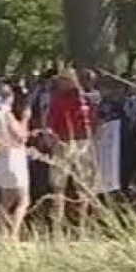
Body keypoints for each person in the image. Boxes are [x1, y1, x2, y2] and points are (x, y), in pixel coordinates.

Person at [46, 69, 96, 237]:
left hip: (64, 142)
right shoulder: (88, 100)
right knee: (82, 187)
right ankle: (81, 229)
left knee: (58, 187)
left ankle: (57, 230)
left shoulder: (58, 100)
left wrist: (52, 140)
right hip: (83, 143)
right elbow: (95, 122)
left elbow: (52, 123)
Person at [0, 83, 31, 239]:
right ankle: (13, 233)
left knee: (6, 198)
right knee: (24, 199)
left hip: (2, 157)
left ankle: (2, 232)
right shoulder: (7, 115)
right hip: (15, 157)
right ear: (10, 97)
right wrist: (25, 119)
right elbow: (21, 136)